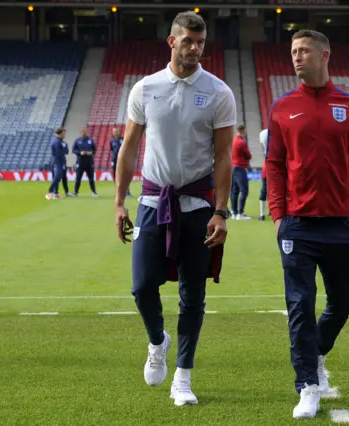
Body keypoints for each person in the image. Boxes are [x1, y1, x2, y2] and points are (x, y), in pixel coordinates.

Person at [113, 10, 236, 407]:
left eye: (201, 43)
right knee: (142, 286)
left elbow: (223, 158)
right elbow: (129, 148)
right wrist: (119, 201)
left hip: (198, 205)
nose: (196, 49)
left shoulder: (219, 92)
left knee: (193, 294)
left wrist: (221, 211)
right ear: (172, 41)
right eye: (188, 41)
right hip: (152, 202)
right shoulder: (145, 89)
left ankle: (182, 376)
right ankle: (157, 341)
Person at [265, 29, 349, 420]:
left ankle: (317, 353)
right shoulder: (281, 108)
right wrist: (278, 215)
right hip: (299, 226)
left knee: (341, 304)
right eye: (293, 51)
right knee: (300, 305)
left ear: (325, 54)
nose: (296, 57)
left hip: (344, 223)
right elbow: (274, 164)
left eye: (304, 50)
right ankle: (307, 385)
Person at [230, 124, 251, 220]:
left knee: (235, 190)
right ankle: (240, 213)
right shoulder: (241, 142)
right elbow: (248, 155)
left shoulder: (234, 141)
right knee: (244, 190)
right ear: (242, 130)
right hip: (240, 167)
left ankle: (234, 212)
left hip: (234, 166)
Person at [72, 127, 98, 197]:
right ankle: (76, 192)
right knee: (78, 178)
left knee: (91, 178)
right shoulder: (77, 140)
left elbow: (95, 150)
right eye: (82, 132)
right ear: (80, 132)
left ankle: (94, 192)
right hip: (80, 162)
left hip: (89, 162)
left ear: (86, 132)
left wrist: (91, 153)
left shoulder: (90, 140)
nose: (84, 133)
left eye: (85, 131)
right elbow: (73, 150)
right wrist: (80, 153)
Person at [45, 127, 67, 200]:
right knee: (57, 177)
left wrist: (64, 148)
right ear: (60, 133)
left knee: (57, 178)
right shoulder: (57, 142)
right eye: (64, 133)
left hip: (61, 162)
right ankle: (49, 192)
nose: (65, 134)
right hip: (57, 162)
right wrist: (63, 149)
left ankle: (56, 193)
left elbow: (66, 151)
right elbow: (58, 153)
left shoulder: (61, 142)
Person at [109, 127, 131, 197]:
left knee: (125, 176)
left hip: (123, 160)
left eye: (117, 131)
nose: (116, 133)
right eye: (114, 131)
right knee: (116, 177)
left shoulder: (123, 139)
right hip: (115, 161)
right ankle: (118, 193)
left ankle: (127, 192)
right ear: (113, 133)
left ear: (119, 132)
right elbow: (112, 150)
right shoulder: (111, 141)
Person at [258, 128, 269, 221]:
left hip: (267, 167)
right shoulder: (268, 133)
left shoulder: (264, 133)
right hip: (270, 166)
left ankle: (262, 214)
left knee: (264, 191)